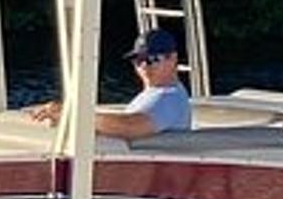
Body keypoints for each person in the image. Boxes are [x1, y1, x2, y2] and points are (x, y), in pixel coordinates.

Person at [26, 28, 192, 136]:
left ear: (173, 59)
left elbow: (130, 127)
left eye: (152, 59)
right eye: (138, 60)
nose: (143, 66)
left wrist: (74, 116)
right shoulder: (154, 95)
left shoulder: (170, 98)